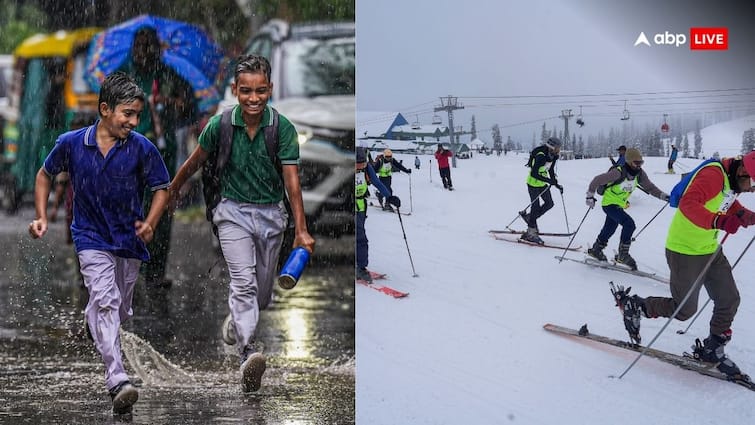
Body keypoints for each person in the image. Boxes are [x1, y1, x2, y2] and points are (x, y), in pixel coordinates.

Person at [167, 54, 315, 393]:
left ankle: (237, 322)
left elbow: (292, 183)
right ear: (235, 90)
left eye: (260, 91)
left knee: (262, 295)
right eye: (245, 91)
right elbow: (192, 164)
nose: (253, 99)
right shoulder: (219, 126)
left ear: (270, 89)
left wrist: (302, 229)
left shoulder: (282, 129)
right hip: (231, 214)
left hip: (271, 217)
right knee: (243, 283)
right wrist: (172, 191)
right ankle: (248, 351)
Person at [28, 72, 170, 414]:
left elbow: (161, 188)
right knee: (106, 301)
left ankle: (97, 319)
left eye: (137, 115)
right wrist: (42, 216)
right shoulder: (72, 143)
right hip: (90, 237)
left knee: (117, 309)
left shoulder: (141, 147)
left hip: (128, 241)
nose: (134, 121)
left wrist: (150, 223)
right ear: (105, 110)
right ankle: (117, 378)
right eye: (127, 114)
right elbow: (45, 175)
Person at [612, 152, 755, 377]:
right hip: (684, 250)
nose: (750, 189)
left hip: (709, 249)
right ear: (741, 171)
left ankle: (713, 350)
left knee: (729, 299)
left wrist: (745, 215)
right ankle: (636, 306)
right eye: (752, 183)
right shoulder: (713, 175)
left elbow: (728, 201)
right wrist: (719, 221)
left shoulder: (729, 180)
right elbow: (688, 204)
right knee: (685, 309)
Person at [118, 27, 197, 289]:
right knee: (126, 208)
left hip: (161, 153)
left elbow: (189, 105)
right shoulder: (123, 74)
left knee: (160, 209)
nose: (143, 52)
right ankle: (125, 268)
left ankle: (155, 271)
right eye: (139, 46)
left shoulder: (168, 75)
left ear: (157, 49)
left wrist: (170, 102)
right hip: (126, 152)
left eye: (148, 46)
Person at [585, 148, 669, 270]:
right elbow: (597, 180)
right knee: (629, 224)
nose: (639, 165)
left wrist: (664, 196)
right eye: (636, 162)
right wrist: (590, 196)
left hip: (619, 205)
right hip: (609, 204)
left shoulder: (639, 174)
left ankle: (596, 250)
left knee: (610, 227)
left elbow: (650, 187)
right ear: (629, 161)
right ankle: (622, 255)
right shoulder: (618, 172)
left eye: (641, 162)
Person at [356, 147, 400, 283]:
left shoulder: (367, 168)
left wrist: (390, 197)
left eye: (363, 163)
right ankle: (361, 268)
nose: (361, 166)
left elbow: (377, 182)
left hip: (361, 207)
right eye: (358, 163)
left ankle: (359, 263)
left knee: (359, 237)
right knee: (361, 238)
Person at [519, 137, 563, 244]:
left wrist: (556, 184)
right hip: (533, 184)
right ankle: (530, 232)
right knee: (535, 206)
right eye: (558, 148)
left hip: (542, 184)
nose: (559, 150)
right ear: (552, 147)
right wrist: (548, 180)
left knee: (549, 203)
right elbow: (534, 173)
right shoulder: (541, 156)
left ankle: (530, 218)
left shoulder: (553, 156)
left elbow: (551, 170)